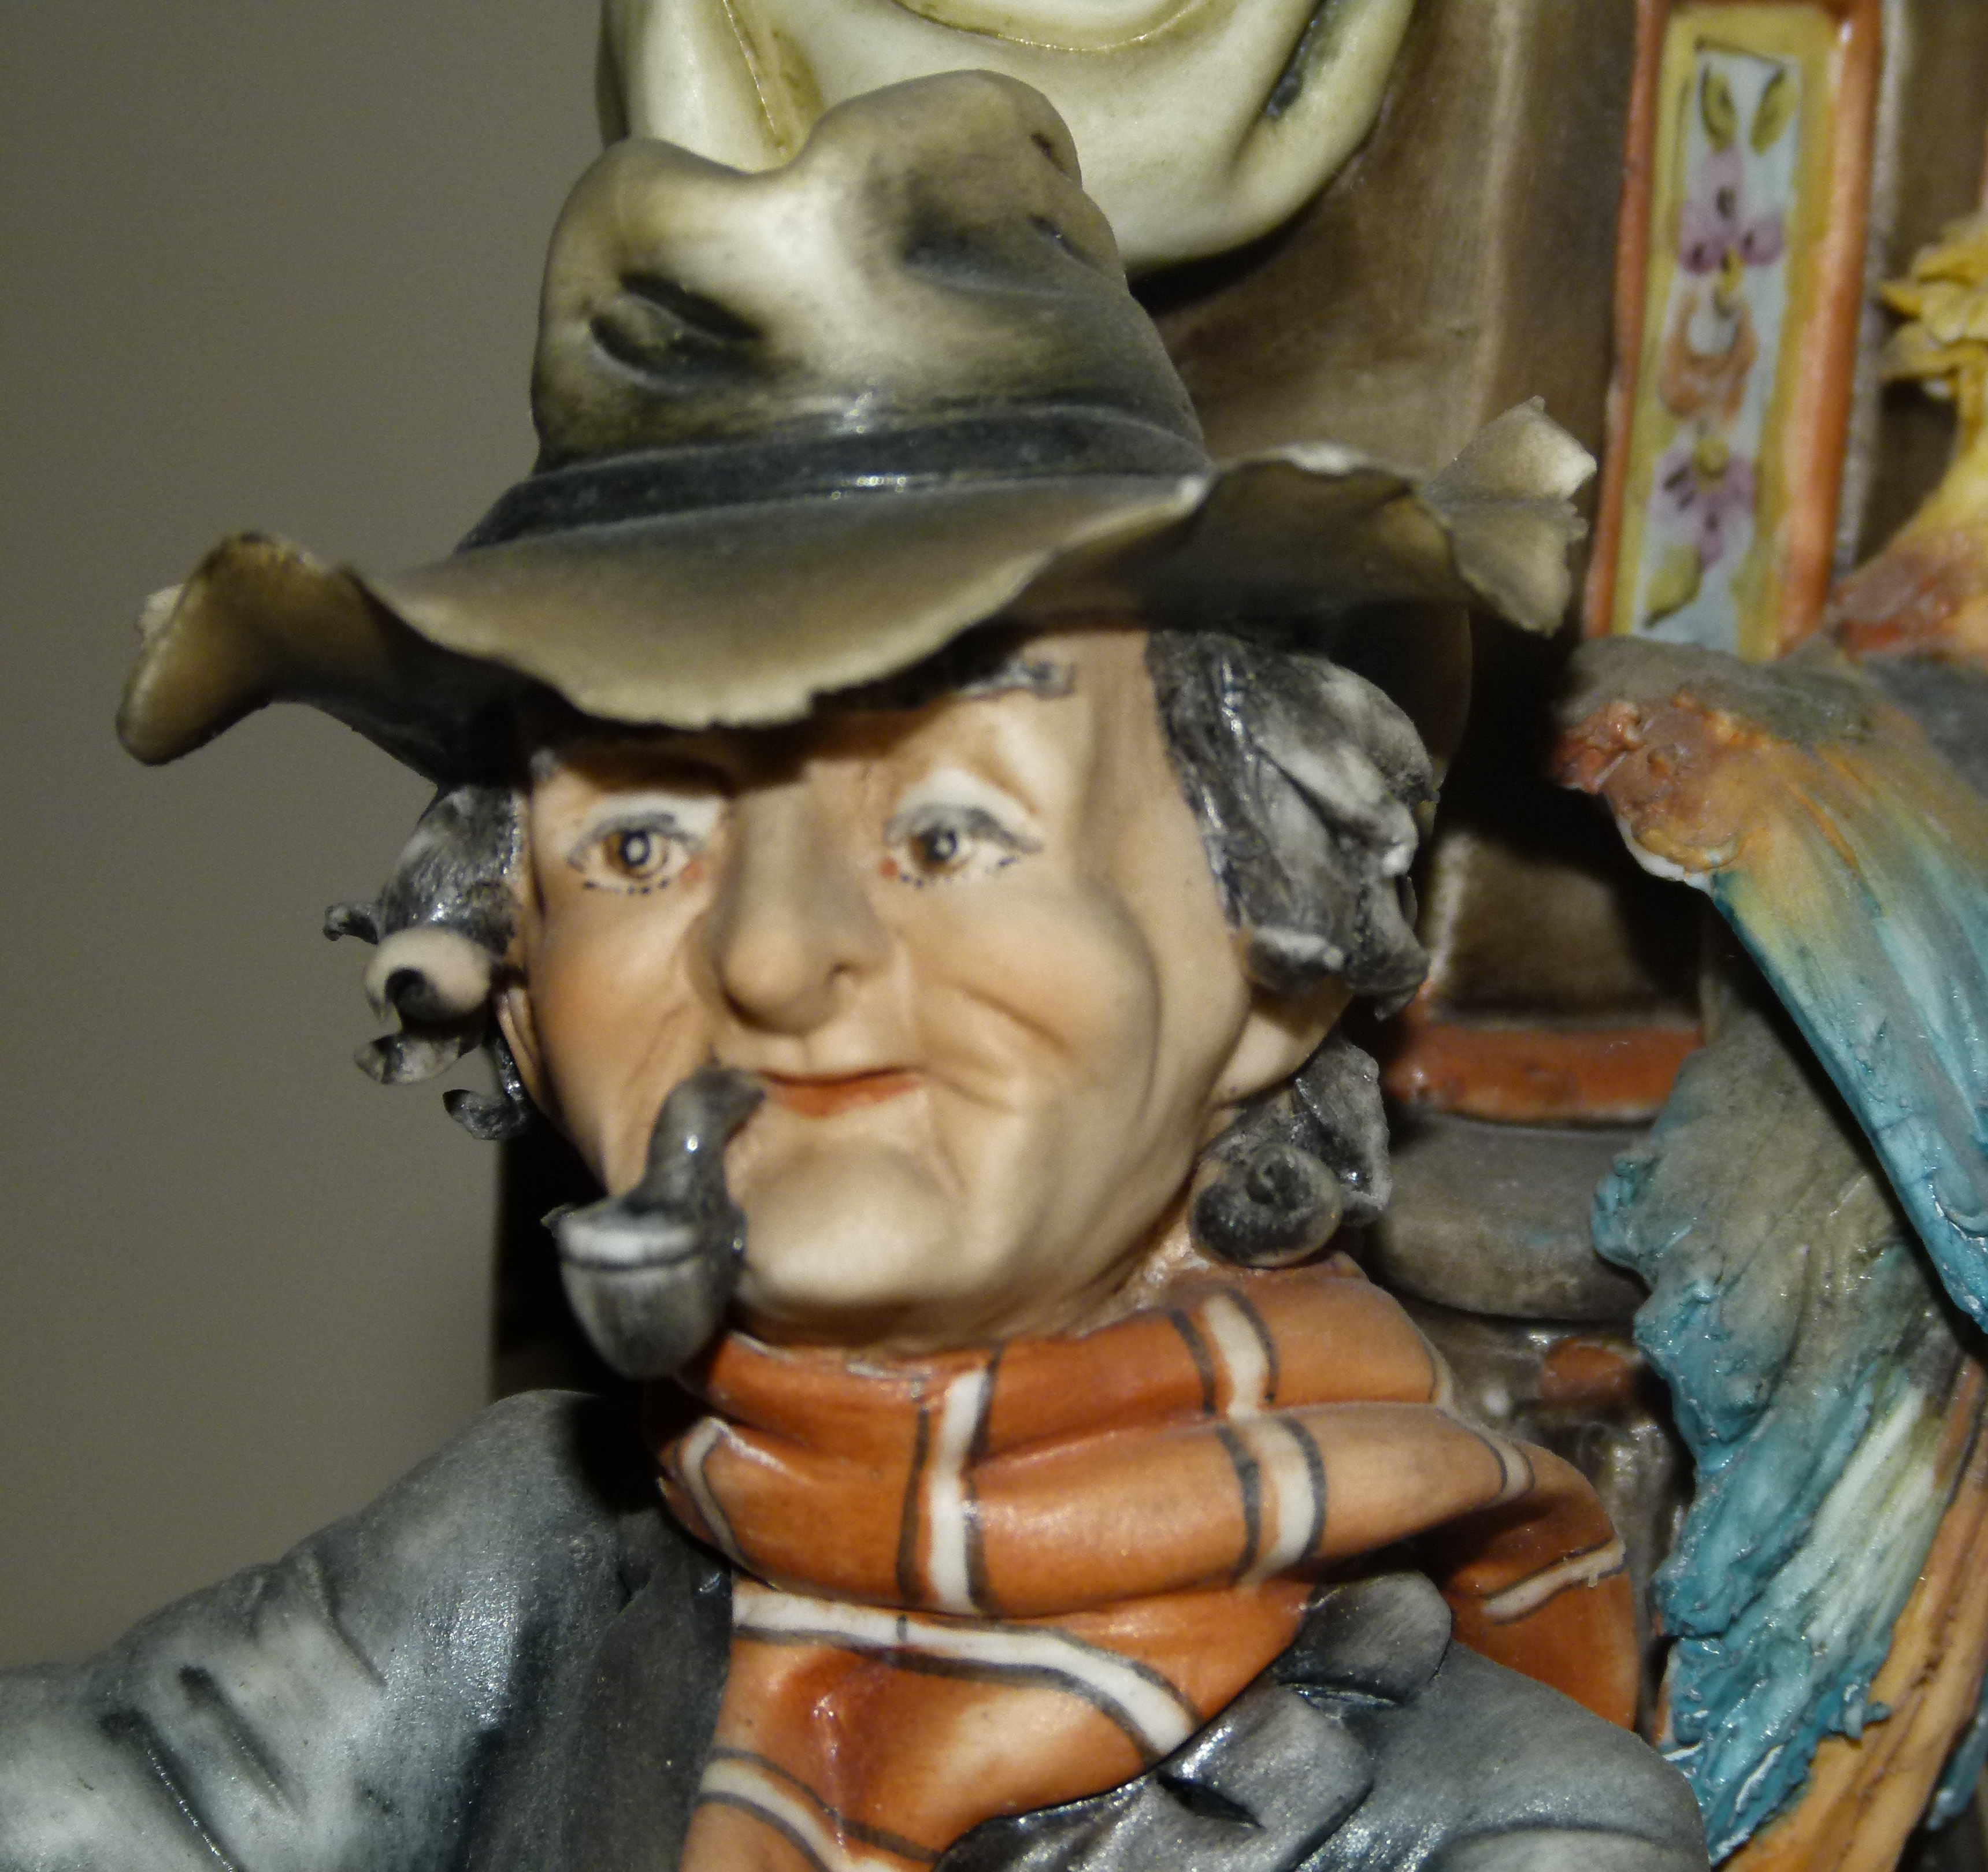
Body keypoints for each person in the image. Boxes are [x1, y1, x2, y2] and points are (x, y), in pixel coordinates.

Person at [0, 72, 1703, 1872]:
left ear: (1266, 948)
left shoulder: (1495, 1833)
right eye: (638, 847)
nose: (773, 953)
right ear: (517, 995)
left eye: (951, 831)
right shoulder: (499, 1576)